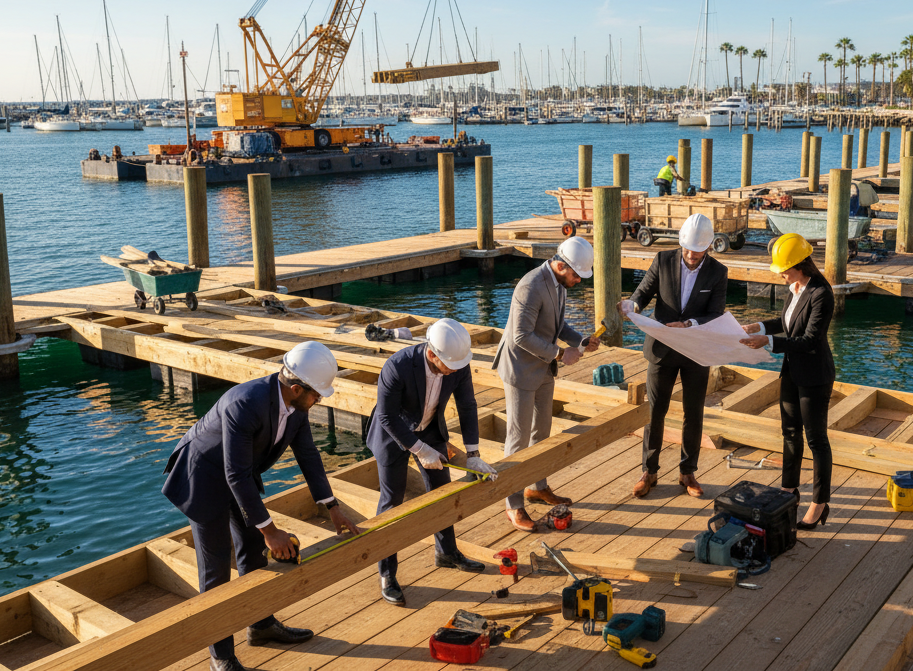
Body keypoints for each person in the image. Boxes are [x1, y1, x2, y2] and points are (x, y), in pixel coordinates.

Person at [161, 341, 360, 671]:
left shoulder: (296, 408)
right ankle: (221, 657)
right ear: (296, 388)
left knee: (252, 549)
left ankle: (261, 625)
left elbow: (309, 456)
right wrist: (271, 530)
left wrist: (332, 508)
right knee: (216, 570)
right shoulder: (246, 403)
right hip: (205, 476)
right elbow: (234, 473)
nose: (320, 399)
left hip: (239, 471)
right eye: (317, 394)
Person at [368, 318, 497, 607]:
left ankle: (446, 552)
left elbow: (467, 405)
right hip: (393, 433)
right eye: (450, 365)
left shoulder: (458, 364)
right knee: (392, 503)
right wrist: (419, 449)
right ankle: (387, 574)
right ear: (431, 354)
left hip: (429, 428)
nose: (455, 370)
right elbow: (387, 417)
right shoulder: (397, 366)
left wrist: (473, 454)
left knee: (442, 492)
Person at [493, 236, 601, 531]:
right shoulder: (530, 286)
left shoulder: (558, 283)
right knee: (517, 438)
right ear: (561, 265)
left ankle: (536, 486)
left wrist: (580, 341)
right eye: (577, 275)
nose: (579, 281)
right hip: (520, 369)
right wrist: (559, 352)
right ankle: (513, 504)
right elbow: (520, 336)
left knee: (541, 431)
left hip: (542, 368)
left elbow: (557, 325)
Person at [621, 214, 728, 499]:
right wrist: (632, 303)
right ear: (681, 243)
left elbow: (715, 314)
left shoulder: (718, 272)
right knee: (655, 411)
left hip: (696, 351)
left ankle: (687, 472)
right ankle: (649, 471)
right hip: (661, 349)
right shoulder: (663, 259)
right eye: (688, 249)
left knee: (693, 414)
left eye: (699, 250)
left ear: (709, 247)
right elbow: (643, 292)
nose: (692, 255)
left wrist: (689, 324)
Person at [739, 233, 836, 531]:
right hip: (792, 371)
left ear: (800, 264)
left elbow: (808, 339)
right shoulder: (794, 287)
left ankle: (819, 503)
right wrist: (758, 325)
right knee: (790, 432)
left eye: (784, 269)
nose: (780, 274)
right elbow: (788, 323)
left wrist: (767, 340)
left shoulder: (822, 293)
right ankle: (788, 490)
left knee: (816, 439)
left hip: (814, 375)